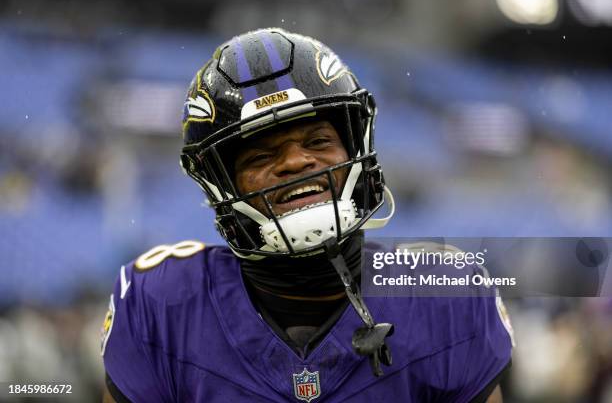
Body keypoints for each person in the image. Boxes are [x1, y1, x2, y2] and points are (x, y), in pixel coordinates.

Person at [101, 28, 513, 402]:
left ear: (356, 150)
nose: (296, 161)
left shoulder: (446, 296)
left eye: (318, 139)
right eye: (262, 155)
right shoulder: (160, 307)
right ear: (223, 185)